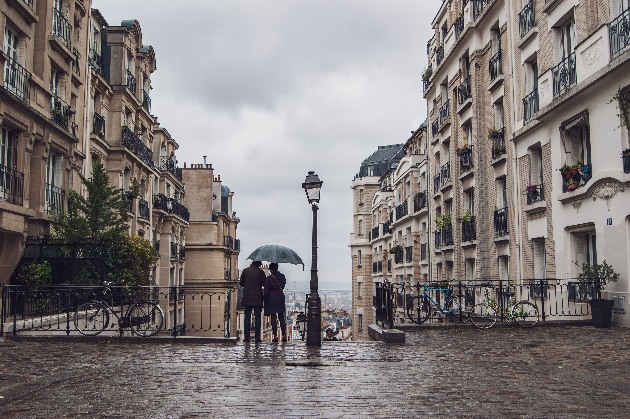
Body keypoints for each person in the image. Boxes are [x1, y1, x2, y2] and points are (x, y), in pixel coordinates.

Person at [240, 260, 265, 343]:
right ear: (258, 264)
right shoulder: (261, 272)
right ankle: (257, 337)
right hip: (258, 297)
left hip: (247, 297)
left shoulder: (245, 271)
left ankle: (246, 337)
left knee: (247, 318)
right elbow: (264, 284)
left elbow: (241, 283)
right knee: (258, 318)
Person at [264, 262, 287, 342]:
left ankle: (275, 336)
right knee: (281, 317)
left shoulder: (269, 278)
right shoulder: (282, 276)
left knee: (273, 317)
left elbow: (266, 291)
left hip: (272, 297)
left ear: (271, 269)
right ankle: (284, 335)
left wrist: (265, 298)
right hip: (280, 296)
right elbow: (283, 285)